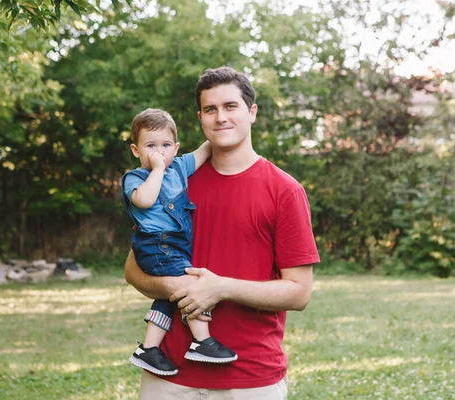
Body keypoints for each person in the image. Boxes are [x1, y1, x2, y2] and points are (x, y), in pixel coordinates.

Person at [124, 67, 320, 399]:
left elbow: (299, 293)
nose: (220, 117)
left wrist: (221, 288)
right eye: (210, 109)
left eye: (230, 106)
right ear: (200, 118)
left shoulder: (284, 191)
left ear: (252, 112)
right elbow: (133, 270)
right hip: (168, 378)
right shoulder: (171, 182)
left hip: (250, 378)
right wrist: (181, 288)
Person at [122, 109, 238, 377]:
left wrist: (223, 128)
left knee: (169, 297)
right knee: (193, 287)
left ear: (175, 148)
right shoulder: (135, 178)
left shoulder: (180, 167)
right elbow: (145, 200)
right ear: (136, 150)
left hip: (175, 248)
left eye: (165, 146)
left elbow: (206, 148)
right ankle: (201, 340)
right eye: (151, 146)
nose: (159, 152)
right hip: (155, 246)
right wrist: (159, 169)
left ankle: (149, 348)